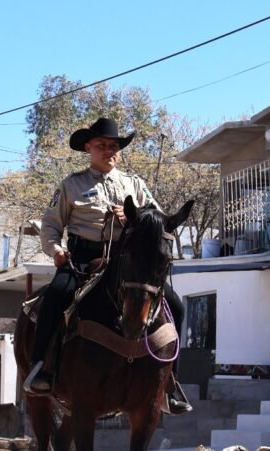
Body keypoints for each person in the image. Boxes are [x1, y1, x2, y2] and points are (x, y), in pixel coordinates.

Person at [23, 117, 192, 414]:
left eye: (114, 146)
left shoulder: (134, 184)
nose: (109, 151)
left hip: (129, 263)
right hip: (83, 261)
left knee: (176, 306)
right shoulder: (72, 185)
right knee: (55, 296)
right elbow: (51, 225)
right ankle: (42, 369)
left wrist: (134, 216)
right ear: (88, 148)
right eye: (101, 145)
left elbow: (159, 220)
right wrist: (56, 250)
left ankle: (171, 382)